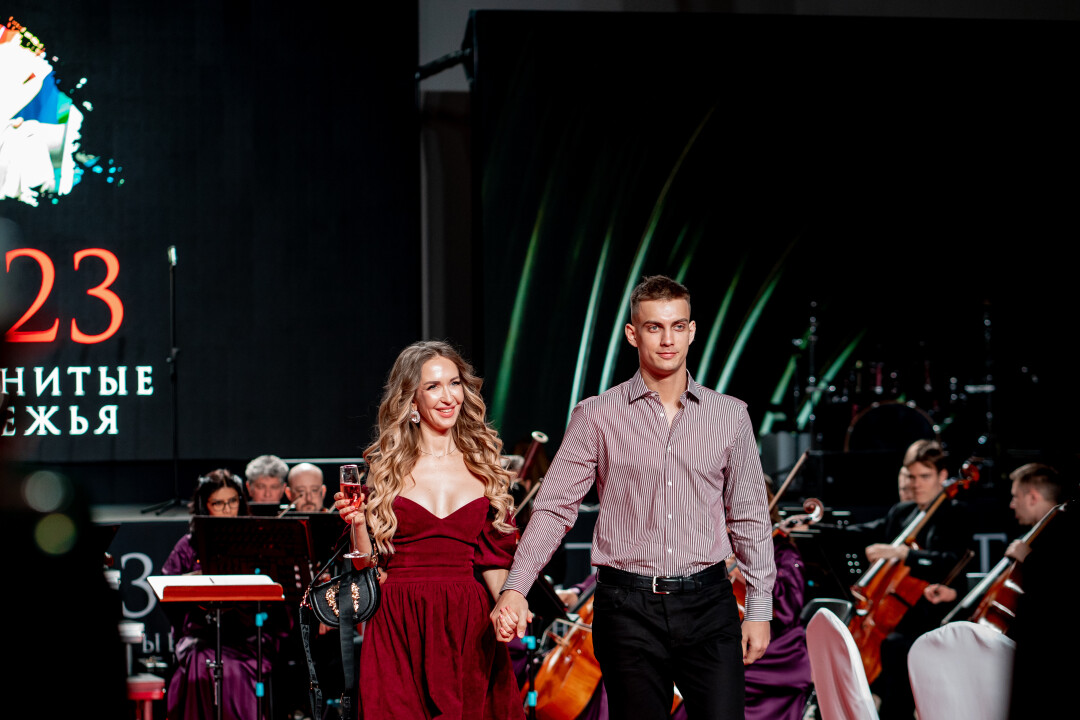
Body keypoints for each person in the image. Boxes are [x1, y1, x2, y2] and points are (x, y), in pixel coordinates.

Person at [492, 275, 776, 719]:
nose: (667, 340)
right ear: (632, 333)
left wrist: (759, 607)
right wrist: (516, 587)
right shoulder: (596, 415)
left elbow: (749, 517)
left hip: (708, 603)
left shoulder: (730, 416)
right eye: (654, 327)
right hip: (627, 608)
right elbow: (553, 508)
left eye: (677, 326)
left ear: (692, 331)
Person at [333, 340, 524, 720]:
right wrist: (358, 523)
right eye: (433, 387)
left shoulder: (485, 466)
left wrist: (507, 603)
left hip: (468, 622)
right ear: (411, 400)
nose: (448, 397)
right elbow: (366, 564)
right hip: (398, 619)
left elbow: (494, 560)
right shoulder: (385, 470)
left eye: (455, 383)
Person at [843, 439, 973, 720]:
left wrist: (904, 553)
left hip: (931, 615)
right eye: (911, 477)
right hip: (893, 615)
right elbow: (865, 533)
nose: (916, 484)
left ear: (942, 475)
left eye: (924, 476)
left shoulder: (955, 513)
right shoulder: (904, 512)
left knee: (895, 651)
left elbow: (951, 560)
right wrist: (818, 527)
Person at [162, 470, 279, 720]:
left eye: (232, 501)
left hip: (248, 638)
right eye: (218, 503)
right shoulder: (188, 545)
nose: (227, 509)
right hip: (201, 637)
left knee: (234, 670)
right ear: (204, 506)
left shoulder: (256, 541)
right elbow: (168, 592)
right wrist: (197, 578)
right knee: (199, 662)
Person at [923, 462, 1067, 606]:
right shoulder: (1028, 538)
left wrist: (1028, 559)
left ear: (1032, 498)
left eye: (1015, 497)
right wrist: (955, 593)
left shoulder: (1064, 535)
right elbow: (1002, 586)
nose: (1011, 505)